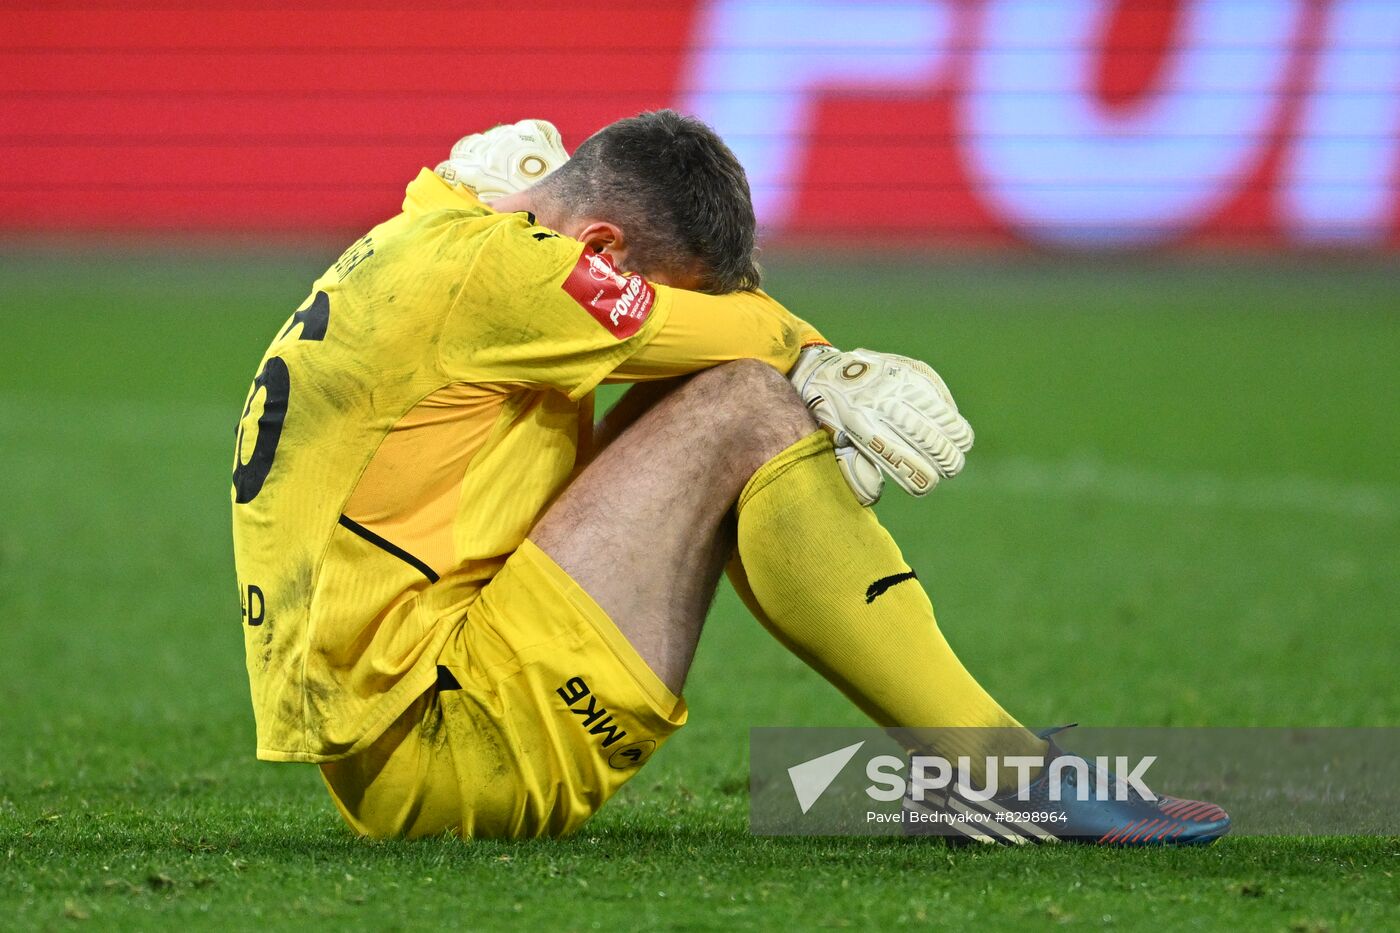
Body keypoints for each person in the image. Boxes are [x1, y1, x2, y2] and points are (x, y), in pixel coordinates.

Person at [231, 110, 1228, 845]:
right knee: (748, 401)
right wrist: (829, 363)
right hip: (458, 745)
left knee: (714, 387)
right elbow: (751, 338)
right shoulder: (518, 277)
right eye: (626, 281)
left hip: (403, 722)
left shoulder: (442, 228)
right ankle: (999, 771)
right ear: (600, 248)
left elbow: (507, 204)